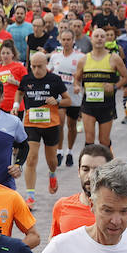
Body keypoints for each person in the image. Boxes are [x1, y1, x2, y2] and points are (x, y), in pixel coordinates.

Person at [17, 52, 70, 203]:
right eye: (33, 66)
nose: (36, 69)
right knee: (31, 158)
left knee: (51, 160)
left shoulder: (54, 80)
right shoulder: (27, 79)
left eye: (39, 66)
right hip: (31, 124)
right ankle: (30, 195)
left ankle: (52, 173)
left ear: (46, 65)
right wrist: (16, 105)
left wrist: (57, 101)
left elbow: (68, 100)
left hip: (51, 125)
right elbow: (20, 92)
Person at [75, 28, 127, 149]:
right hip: (88, 105)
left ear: (106, 39)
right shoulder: (84, 59)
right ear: (91, 39)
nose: (99, 39)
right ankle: (88, 166)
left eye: (102, 36)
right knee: (89, 139)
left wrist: (115, 86)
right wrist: (76, 86)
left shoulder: (114, 58)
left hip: (106, 105)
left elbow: (126, 77)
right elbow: (77, 78)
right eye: (96, 36)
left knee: (104, 140)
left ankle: (107, 166)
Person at [50, 28, 86, 169]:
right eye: (63, 39)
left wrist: (79, 85)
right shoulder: (55, 57)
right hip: (60, 96)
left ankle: (69, 151)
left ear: (73, 41)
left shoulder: (80, 57)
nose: (66, 42)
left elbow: (84, 75)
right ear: (60, 40)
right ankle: (59, 151)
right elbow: (50, 73)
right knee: (59, 123)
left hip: (75, 96)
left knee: (71, 126)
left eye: (68, 40)